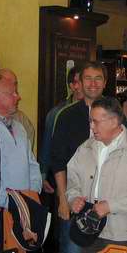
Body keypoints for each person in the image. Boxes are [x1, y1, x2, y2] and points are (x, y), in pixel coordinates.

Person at [67, 97, 127, 253]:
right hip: (90, 230)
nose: (92, 126)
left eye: (96, 122)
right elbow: (73, 179)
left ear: (114, 121)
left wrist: (109, 206)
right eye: (90, 121)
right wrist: (73, 198)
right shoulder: (86, 147)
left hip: (123, 233)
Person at [51, 62, 106, 253]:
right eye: (88, 78)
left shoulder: (115, 115)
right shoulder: (66, 116)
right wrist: (63, 199)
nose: (93, 83)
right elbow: (58, 161)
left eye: (98, 78)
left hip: (104, 202)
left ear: (105, 82)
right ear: (80, 83)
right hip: (75, 199)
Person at [0, 69, 42, 253]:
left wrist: (31, 194)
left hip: (23, 209)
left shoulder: (18, 127)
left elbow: (32, 164)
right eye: (12, 93)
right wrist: (5, 201)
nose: (18, 97)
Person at [39, 65, 83, 194]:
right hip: (64, 176)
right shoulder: (57, 113)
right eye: (78, 82)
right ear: (71, 86)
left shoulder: (98, 111)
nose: (82, 86)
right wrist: (43, 175)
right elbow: (47, 145)